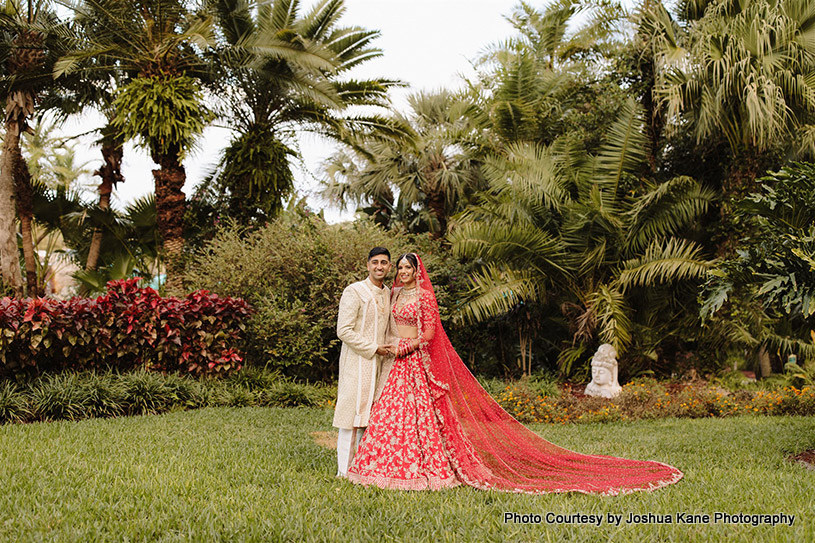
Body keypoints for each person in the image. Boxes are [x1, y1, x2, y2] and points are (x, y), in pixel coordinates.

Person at [347, 253, 683, 495]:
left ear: (417, 271)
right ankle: (382, 467)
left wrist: (404, 349)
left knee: (422, 418)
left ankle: (426, 470)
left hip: (413, 361)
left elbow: (430, 335)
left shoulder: (422, 297)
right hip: (394, 365)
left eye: (408, 267)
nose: (403, 272)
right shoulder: (392, 293)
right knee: (392, 416)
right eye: (400, 267)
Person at [333, 247, 397, 477]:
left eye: (384, 263)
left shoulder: (388, 292)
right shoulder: (354, 291)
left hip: (380, 363)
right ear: (367, 265)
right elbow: (344, 330)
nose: (379, 267)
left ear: (390, 267)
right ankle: (344, 471)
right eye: (375, 262)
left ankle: (362, 469)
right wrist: (373, 348)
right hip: (357, 362)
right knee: (351, 416)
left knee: (369, 417)